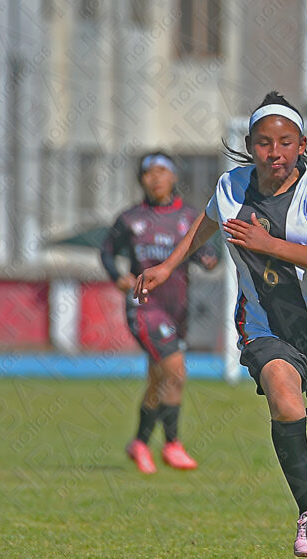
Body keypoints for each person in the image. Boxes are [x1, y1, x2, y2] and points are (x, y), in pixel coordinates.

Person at [134, 92, 307, 559]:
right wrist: (167, 266)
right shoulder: (231, 185)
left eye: (286, 143)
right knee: (286, 403)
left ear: (302, 145)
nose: (275, 153)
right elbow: (207, 220)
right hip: (264, 325)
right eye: (264, 143)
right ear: (250, 146)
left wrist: (269, 245)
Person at [100, 151, 218, 474]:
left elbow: (204, 249)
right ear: (141, 180)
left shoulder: (189, 217)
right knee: (176, 372)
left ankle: (139, 442)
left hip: (177, 309)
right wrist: (117, 276)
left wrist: (208, 258)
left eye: (162, 171)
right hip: (144, 307)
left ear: (174, 176)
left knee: (158, 380)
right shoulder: (130, 219)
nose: (156, 178)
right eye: (149, 173)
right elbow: (107, 252)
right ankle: (172, 444)